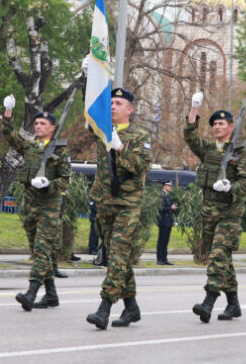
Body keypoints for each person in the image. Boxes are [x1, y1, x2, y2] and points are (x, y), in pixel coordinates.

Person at [86, 88, 151, 330]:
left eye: (119, 103)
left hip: (128, 205)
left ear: (130, 109)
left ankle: (104, 308)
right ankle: (131, 307)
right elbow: (90, 109)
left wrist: (121, 147)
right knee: (118, 258)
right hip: (105, 202)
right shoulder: (102, 131)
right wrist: (87, 82)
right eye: (111, 102)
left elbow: (141, 166)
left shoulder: (139, 135)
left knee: (117, 256)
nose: (113, 106)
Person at [186, 95, 246, 324]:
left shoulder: (240, 152)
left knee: (218, 256)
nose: (217, 127)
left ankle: (209, 301)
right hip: (210, 213)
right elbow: (191, 138)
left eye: (221, 123)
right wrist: (193, 109)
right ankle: (233, 304)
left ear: (231, 127)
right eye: (214, 124)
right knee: (223, 259)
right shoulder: (208, 150)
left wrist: (230, 186)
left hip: (229, 214)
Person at [1, 97, 71, 310]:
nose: (38, 126)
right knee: (39, 251)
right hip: (31, 205)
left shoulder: (60, 151)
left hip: (49, 207)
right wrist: (8, 112)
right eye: (37, 123)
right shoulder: (30, 146)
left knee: (41, 249)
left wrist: (48, 184)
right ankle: (51, 296)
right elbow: (11, 137)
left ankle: (31, 293)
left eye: (43, 124)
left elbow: (65, 180)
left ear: (52, 128)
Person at [156, 182, 177, 265]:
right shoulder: (161, 195)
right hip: (163, 221)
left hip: (168, 222)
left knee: (165, 241)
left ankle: (164, 259)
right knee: (161, 241)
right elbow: (160, 208)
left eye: (171, 186)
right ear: (164, 186)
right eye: (169, 186)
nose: (170, 187)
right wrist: (170, 208)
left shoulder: (167, 195)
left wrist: (172, 208)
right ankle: (159, 259)